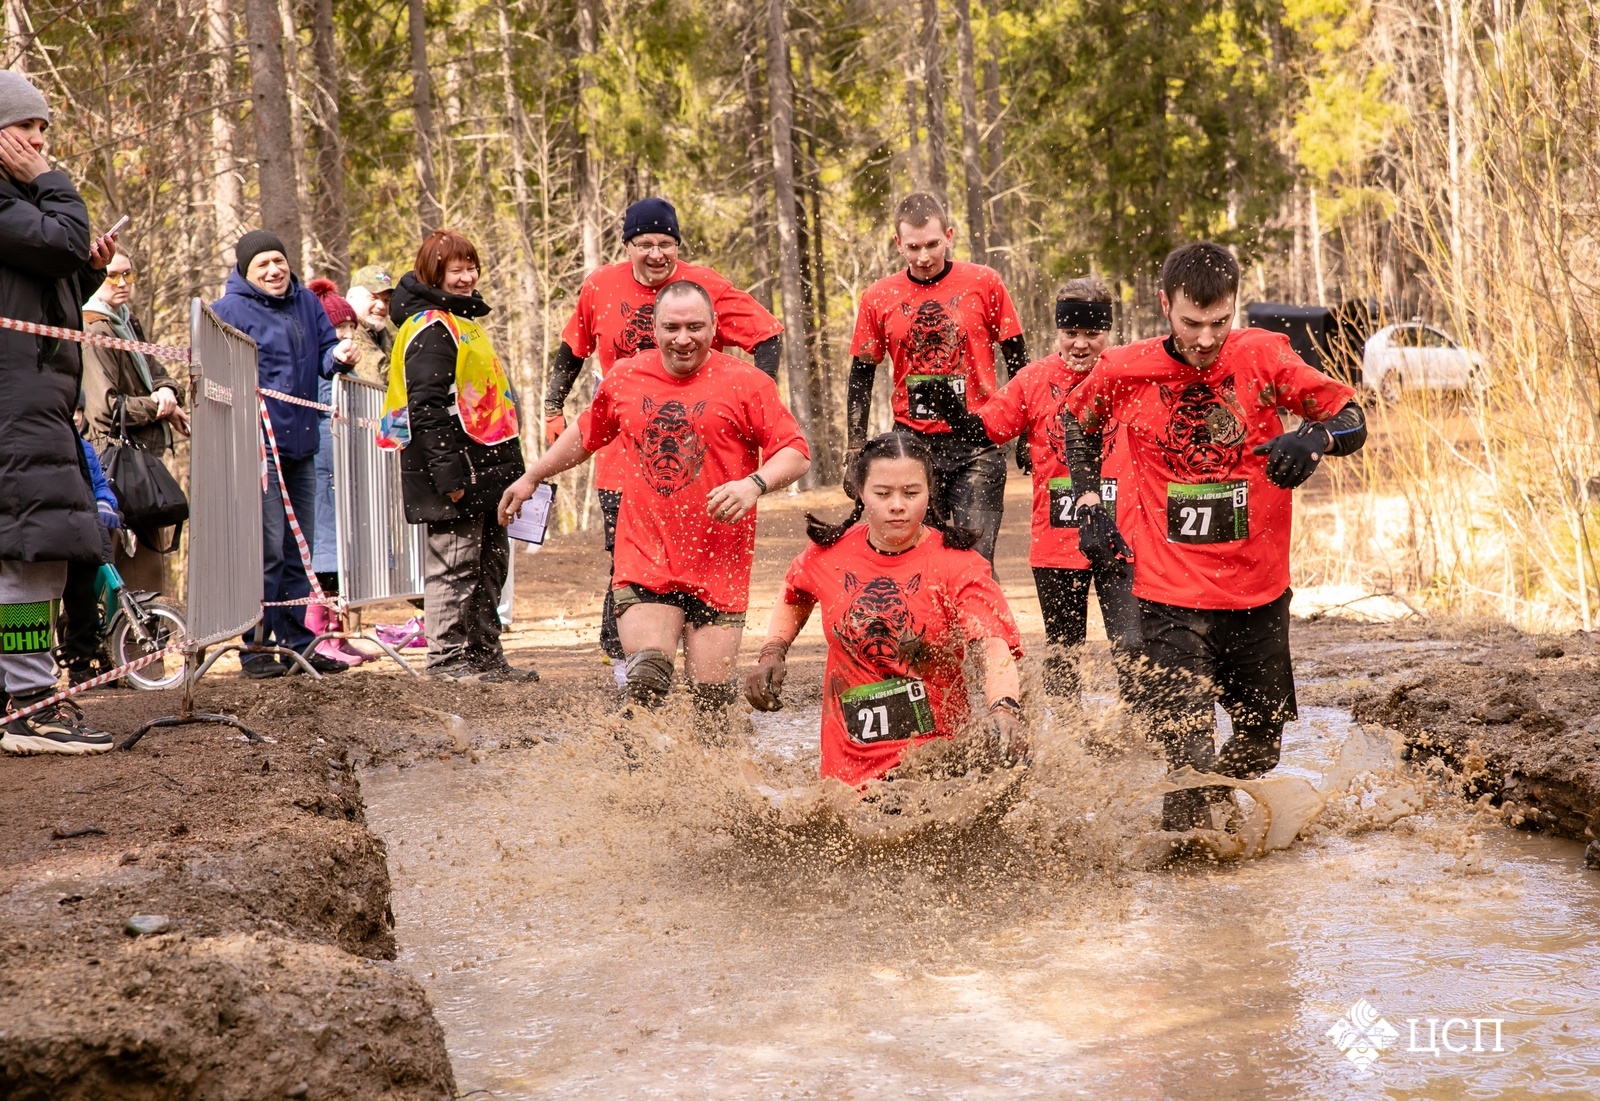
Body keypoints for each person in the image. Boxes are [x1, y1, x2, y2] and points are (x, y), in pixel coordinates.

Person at [1059, 241, 1368, 844]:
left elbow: (1351, 416)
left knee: (1259, 747)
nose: (1205, 339)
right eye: (1191, 323)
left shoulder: (1264, 356)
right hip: (1168, 595)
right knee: (1190, 758)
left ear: (1235, 307)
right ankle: (1187, 875)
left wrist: (1315, 440)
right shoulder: (1123, 368)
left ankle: (1216, 823)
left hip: (1258, 592)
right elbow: (1077, 422)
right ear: (1164, 306)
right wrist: (1090, 503)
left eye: (1219, 322)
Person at [500, 280, 810, 719]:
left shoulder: (748, 383)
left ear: (714, 325)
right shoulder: (626, 377)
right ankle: (635, 761)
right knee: (647, 679)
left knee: (711, 707)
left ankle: (710, 763)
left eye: (695, 327)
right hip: (646, 553)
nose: (683, 339)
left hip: (719, 560)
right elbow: (586, 434)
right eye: (672, 327)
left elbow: (796, 452)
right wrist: (532, 476)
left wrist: (753, 484)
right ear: (655, 328)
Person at [545, 197, 785, 668]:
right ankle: (632, 669)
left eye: (666, 244)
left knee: (696, 559)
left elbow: (767, 334)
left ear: (678, 245)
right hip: (623, 452)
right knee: (627, 564)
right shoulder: (600, 285)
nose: (656, 254)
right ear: (627, 246)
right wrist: (554, 407)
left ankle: (693, 655)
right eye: (644, 244)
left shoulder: (705, 286)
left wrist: (758, 396)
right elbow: (573, 348)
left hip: (697, 455)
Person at [744, 432, 1027, 785]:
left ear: (930, 491)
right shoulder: (828, 555)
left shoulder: (959, 565)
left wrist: (1004, 706)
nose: (897, 505)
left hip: (934, 762)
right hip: (847, 766)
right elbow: (794, 594)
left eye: (911, 493)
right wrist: (773, 651)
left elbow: (991, 644)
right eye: (882, 494)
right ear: (860, 492)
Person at [919, 278, 1142, 699]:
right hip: (1056, 544)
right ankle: (1067, 734)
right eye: (1070, 332)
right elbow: (985, 430)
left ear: (1108, 332)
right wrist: (954, 412)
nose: (1080, 344)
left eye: (1092, 333)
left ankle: (1133, 729)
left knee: (1132, 647)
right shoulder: (1034, 379)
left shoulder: (1128, 376)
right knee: (1063, 654)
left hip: (1121, 537)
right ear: (1057, 330)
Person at [0, 69, 118, 753]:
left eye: (44, 130)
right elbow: (58, 241)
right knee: (29, 552)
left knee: (33, 551)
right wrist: (54, 183)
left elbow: (48, 273)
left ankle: (21, 695)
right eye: (26, 128)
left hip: (33, 405)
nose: (39, 142)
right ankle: (31, 704)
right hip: (15, 408)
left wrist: (86, 270)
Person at [845, 192, 1028, 566]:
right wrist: (854, 446)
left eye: (932, 244)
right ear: (898, 243)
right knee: (919, 559)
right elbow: (861, 374)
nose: (924, 257)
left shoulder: (984, 282)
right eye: (913, 247)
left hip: (978, 442)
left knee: (975, 560)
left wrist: (1025, 430)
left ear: (949, 235)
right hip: (912, 444)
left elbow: (1019, 360)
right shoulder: (878, 296)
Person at [381, 229, 532, 682]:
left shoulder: (463, 320)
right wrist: (448, 476)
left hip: (488, 465)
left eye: (471, 268)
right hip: (454, 469)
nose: (467, 278)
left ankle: (485, 656)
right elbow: (425, 407)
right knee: (455, 565)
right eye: (456, 270)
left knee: (490, 563)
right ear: (434, 273)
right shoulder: (430, 327)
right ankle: (446, 662)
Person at [212, 230, 360, 678]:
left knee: (301, 550)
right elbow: (216, 378)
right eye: (263, 264)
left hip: (302, 446)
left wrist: (340, 355)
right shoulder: (228, 311)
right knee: (269, 548)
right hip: (257, 448)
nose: (274, 270)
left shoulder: (306, 303)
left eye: (279, 260)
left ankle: (299, 645)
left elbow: (324, 356)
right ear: (245, 271)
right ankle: (257, 648)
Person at [82, 248, 187, 594]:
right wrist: (157, 406)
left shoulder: (125, 321)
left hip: (140, 461)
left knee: (147, 572)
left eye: (128, 274)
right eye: (112, 275)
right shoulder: (93, 327)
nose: (122, 282)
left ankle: (146, 628)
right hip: (109, 462)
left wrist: (167, 394)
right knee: (107, 571)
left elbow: (160, 374)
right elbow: (104, 410)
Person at [304, 278, 369, 666]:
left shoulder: (347, 370)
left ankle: (338, 634)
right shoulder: (316, 370)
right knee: (322, 558)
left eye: (349, 327)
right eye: (337, 328)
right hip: (323, 472)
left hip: (344, 473)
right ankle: (317, 635)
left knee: (340, 559)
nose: (345, 335)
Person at [54, 437, 121, 688]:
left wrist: (105, 503)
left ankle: (82, 664)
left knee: (84, 599)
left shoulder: (83, 448)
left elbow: (99, 485)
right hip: (49, 531)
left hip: (82, 533)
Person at [345, 264, 396, 384]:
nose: (382, 306)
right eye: (373, 298)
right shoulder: (347, 331)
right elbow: (378, 380)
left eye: (387, 300)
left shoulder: (382, 334)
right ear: (351, 297)